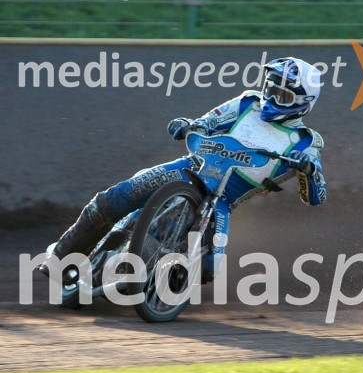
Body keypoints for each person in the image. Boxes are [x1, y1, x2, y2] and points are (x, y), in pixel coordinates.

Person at [38, 56, 327, 284]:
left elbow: (316, 197)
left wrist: (309, 170)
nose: (272, 97)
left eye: (283, 95)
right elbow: (205, 122)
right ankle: (60, 257)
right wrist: (186, 124)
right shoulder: (247, 103)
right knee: (115, 197)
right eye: (271, 89)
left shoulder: (305, 142)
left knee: (210, 268)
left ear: (302, 103)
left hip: (223, 200)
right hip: (188, 170)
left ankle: (162, 280)